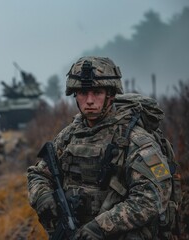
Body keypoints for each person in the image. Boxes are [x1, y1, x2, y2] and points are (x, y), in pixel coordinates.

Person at [27, 56, 174, 239]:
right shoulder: (69, 135)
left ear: (110, 95)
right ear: (75, 95)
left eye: (96, 92)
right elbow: (39, 174)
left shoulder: (135, 140)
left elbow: (153, 196)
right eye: (82, 93)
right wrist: (43, 196)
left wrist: (101, 227)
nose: (89, 100)